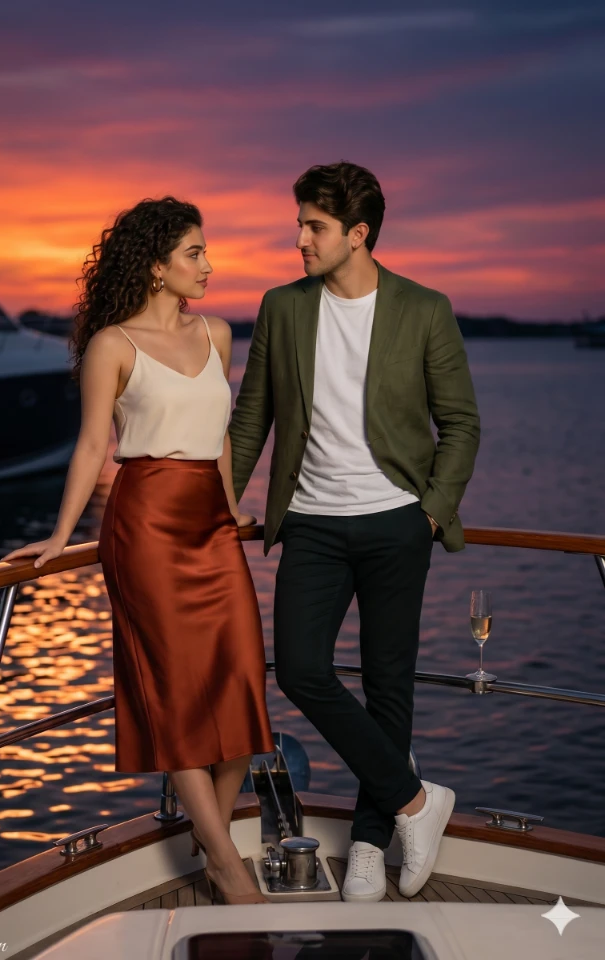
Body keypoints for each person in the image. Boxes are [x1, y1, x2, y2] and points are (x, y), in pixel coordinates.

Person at [2, 197, 274, 905]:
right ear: (156, 267)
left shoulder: (216, 333)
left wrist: (233, 507)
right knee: (177, 693)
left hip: (211, 526)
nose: (208, 265)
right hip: (145, 525)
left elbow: (217, 433)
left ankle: (207, 841)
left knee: (243, 678)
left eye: (206, 251)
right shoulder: (112, 346)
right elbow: (95, 445)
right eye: (193, 253)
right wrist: (62, 537)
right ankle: (225, 863)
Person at [229, 162, 480, 902]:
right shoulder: (282, 307)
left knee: (387, 683)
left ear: (357, 234)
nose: (299, 239)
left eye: (314, 227)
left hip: (396, 521)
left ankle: (370, 842)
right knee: (302, 669)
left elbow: (460, 424)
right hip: (310, 522)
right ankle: (415, 801)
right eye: (300, 223)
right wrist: (216, 500)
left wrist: (431, 510)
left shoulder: (423, 309)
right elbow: (251, 419)